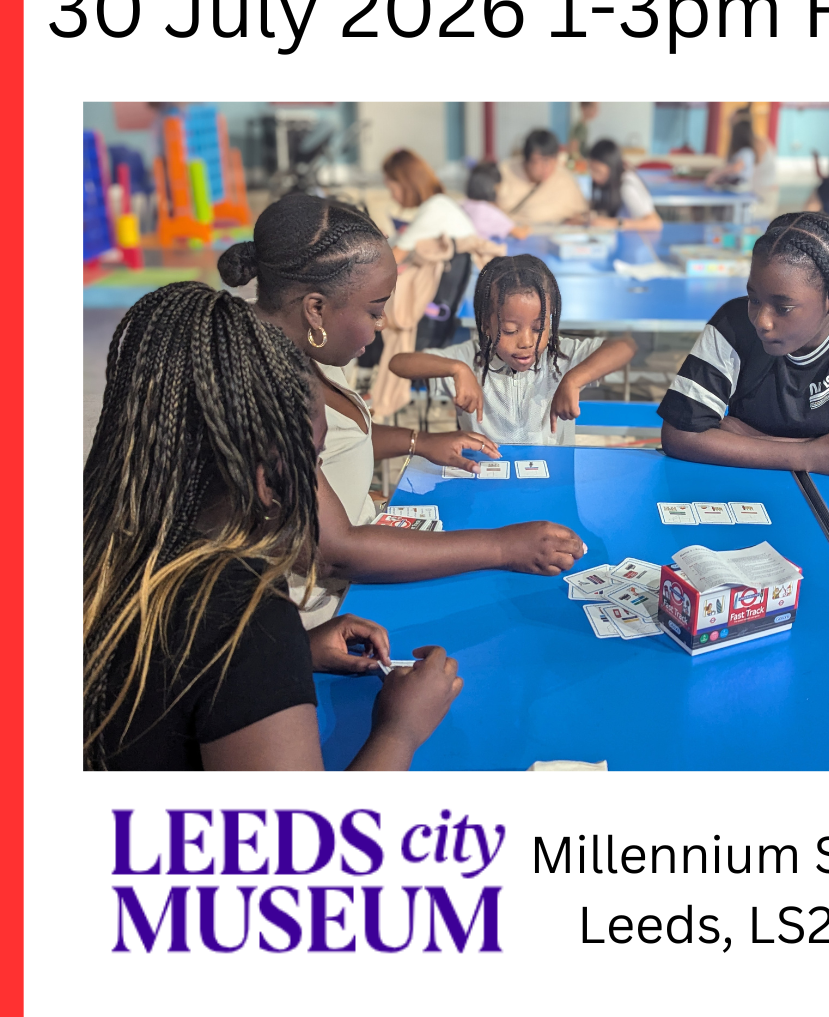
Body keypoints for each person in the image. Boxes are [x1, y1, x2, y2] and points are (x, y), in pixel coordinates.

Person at [84, 283, 462, 771]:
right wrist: (401, 729)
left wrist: (295, 655)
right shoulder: (243, 619)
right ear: (266, 480)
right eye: (316, 458)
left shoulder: (103, 542)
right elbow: (298, 845)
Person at [217, 195, 585, 625]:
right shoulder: (267, 389)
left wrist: (420, 441)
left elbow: (339, 440)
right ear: (316, 309)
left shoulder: (310, 350)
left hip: (356, 564)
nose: (384, 324)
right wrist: (503, 547)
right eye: (375, 310)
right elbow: (337, 554)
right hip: (322, 607)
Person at [658, 212, 829, 475]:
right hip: (752, 488)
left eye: (784, 307)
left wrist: (755, 439)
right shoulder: (733, 323)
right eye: (754, 299)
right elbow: (680, 434)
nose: (762, 321)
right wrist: (809, 455)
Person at [389, 254, 637, 444]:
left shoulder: (560, 355)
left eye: (539, 327)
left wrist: (574, 379)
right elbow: (399, 363)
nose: (527, 342)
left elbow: (625, 345)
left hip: (552, 479)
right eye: (510, 330)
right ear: (487, 324)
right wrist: (456, 369)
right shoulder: (470, 358)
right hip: (486, 480)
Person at [382, 148, 476, 261]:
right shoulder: (440, 203)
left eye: (392, 189)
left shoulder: (433, 209)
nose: (392, 196)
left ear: (406, 184)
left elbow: (391, 260)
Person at [496, 128, 588, 225]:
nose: (547, 168)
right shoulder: (503, 172)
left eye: (552, 161)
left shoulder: (566, 180)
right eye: (542, 161)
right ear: (527, 159)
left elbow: (580, 214)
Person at [578, 138, 662, 232]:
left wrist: (615, 223)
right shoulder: (608, 182)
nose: (593, 176)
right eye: (591, 170)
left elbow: (655, 223)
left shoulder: (627, 186)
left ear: (612, 167)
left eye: (598, 171)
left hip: (635, 241)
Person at [461, 161, 528, 241]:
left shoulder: (462, 204)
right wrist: (527, 228)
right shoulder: (489, 212)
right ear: (493, 187)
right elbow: (520, 234)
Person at [704, 117, 757, 189]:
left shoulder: (746, 151)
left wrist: (718, 174)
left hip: (740, 187)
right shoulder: (742, 152)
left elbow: (736, 168)